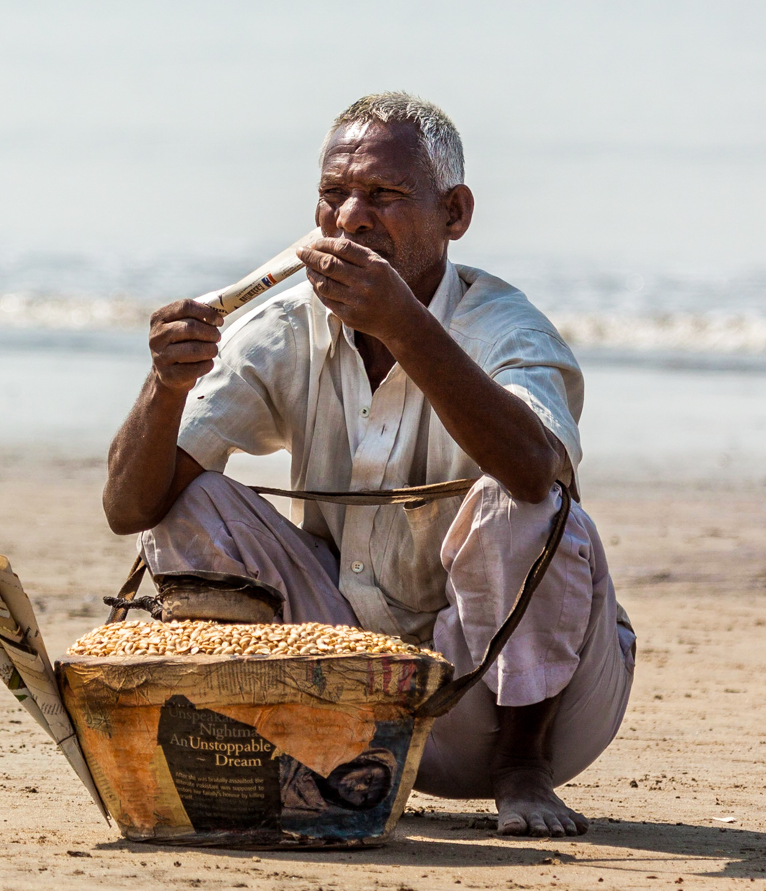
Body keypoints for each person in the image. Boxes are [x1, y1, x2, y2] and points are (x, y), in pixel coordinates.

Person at [103, 92, 635, 839]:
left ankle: (522, 771)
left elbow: (533, 471)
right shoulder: (284, 327)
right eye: (334, 195)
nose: (350, 217)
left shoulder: (507, 327)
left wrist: (403, 326)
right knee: (191, 505)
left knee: (526, 503)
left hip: (520, 707)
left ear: (454, 215)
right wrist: (164, 385)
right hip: (347, 694)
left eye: (383, 197)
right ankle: (276, 748)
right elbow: (132, 509)